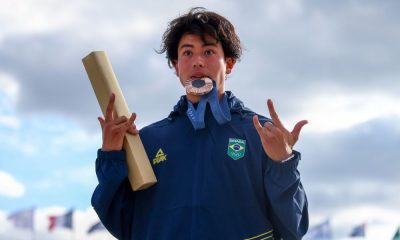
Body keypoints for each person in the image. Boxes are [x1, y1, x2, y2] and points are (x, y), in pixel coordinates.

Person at [92, 7, 309, 240]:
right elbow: (124, 224)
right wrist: (111, 155)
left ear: (230, 64)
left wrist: (283, 163)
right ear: (176, 66)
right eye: (187, 53)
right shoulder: (148, 140)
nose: (197, 62)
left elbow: (292, 228)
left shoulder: (262, 133)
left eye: (208, 52)